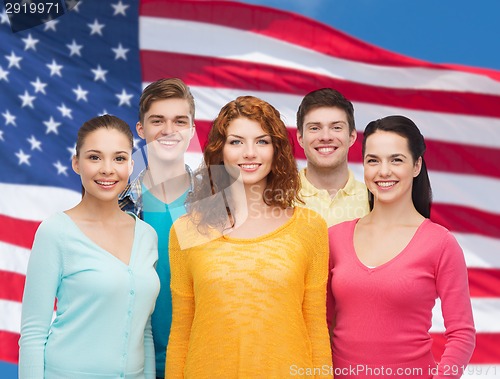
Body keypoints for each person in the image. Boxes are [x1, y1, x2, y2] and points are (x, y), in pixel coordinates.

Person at [166, 96, 333, 378]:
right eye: (236, 142)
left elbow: (316, 328)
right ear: (220, 152)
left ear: (276, 150)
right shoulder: (185, 230)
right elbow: (182, 330)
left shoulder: (310, 227)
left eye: (262, 141)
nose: (249, 153)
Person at [326, 115, 475, 378]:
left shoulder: (440, 243)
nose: (384, 171)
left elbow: (462, 334)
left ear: (416, 165)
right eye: (373, 160)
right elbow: (321, 323)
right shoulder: (333, 238)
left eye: (396, 159)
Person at [19, 115, 160, 378]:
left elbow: (145, 330)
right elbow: (33, 333)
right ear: (76, 163)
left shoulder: (147, 236)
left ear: (131, 165)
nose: (107, 169)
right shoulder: (55, 232)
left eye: (118, 158)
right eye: (94, 157)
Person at [118, 78, 195, 378]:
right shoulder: (118, 204)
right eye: (157, 120)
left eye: (179, 121)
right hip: (133, 365)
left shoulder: (217, 205)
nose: (168, 130)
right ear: (141, 129)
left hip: (201, 360)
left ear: (191, 129)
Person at [296, 88, 369, 226]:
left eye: (336, 127)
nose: (325, 137)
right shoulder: (278, 199)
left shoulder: (375, 200)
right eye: (314, 128)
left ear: (352, 137)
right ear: (300, 138)